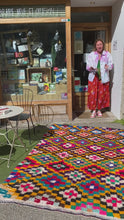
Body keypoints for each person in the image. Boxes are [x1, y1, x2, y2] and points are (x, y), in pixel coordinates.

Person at [86, 39, 113, 118]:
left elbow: (111, 65)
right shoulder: (91, 55)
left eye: (100, 44)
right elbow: (87, 66)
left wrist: (108, 67)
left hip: (103, 77)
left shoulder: (107, 54)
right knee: (93, 94)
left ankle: (99, 110)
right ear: (95, 46)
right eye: (98, 45)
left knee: (101, 94)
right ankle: (93, 110)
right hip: (93, 77)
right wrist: (92, 68)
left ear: (103, 45)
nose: (99, 46)